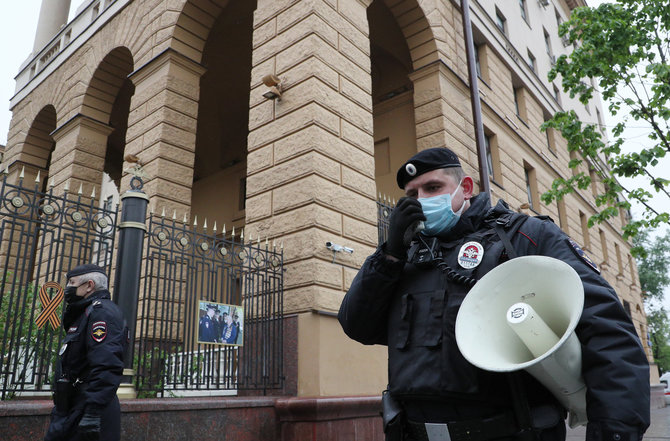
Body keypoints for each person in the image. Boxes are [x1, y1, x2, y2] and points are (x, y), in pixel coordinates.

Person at [338, 148, 650, 441]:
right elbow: (357, 325)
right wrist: (389, 255)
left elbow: (606, 328)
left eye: (433, 188)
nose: (420, 201)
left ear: (466, 188)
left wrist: (614, 428)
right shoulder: (404, 256)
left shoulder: (526, 236)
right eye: (411, 195)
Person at [45, 264, 127, 441]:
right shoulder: (86, 313)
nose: (67, 288)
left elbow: (107, 364)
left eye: (71, 283)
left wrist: (92, 412)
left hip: (86, 408)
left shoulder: (101, 313)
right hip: (72, 407)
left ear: (89, 285)